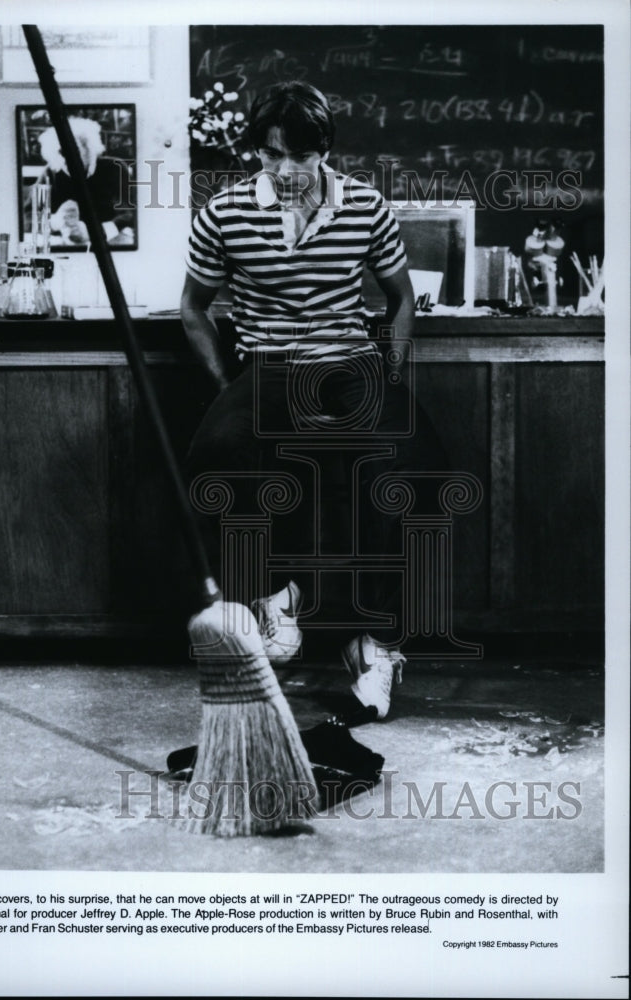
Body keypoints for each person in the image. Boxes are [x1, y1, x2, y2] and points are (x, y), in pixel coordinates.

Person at [181, 81, 447, 723]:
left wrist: (385, 372)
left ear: (322, 151)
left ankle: (376, 643)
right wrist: (229, 387)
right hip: (268, 364)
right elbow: (193, 308)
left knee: (409, 467)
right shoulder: (225, 212)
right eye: (271, 156)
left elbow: (400, 298)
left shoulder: (366, 205)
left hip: (350, 363)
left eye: (299, 157)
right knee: (215, 452)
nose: (285, 171)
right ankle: (273, 602)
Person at [34, 117, 135, 247]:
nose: (66, 158)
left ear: (89, 149)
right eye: (60, 152)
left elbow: (130, 213)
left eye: (74, 150)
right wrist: (54, 221)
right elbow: (27, 216)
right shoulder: (51, 172)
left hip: (107, 246)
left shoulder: (116, 168)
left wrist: (96, 232)